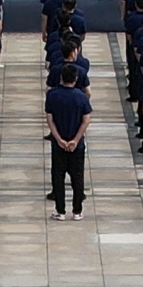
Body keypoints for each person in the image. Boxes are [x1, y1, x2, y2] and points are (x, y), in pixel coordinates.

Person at [44, 64, 92, 218]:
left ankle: (60, 210)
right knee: (77, 177)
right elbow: (86, 120)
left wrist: (58, 139)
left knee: (58, 176)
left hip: (58, 145)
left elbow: (49, 119)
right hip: (77, 145)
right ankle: (77, 210)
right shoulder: (81, 97)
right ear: (76, 78)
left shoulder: (52, 95)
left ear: (61, 78)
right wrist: (75, 140)